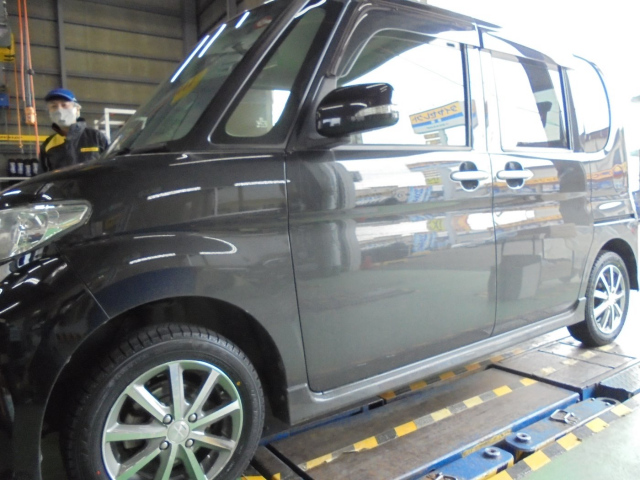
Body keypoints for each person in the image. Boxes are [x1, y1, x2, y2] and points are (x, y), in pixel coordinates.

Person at [39, 88, 109, 172]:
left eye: (64, 105)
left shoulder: (96, 137)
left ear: (77, 109)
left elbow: (111, 169)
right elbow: (43, 175)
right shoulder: (48, 145)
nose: (59, 110)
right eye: (54, 106)